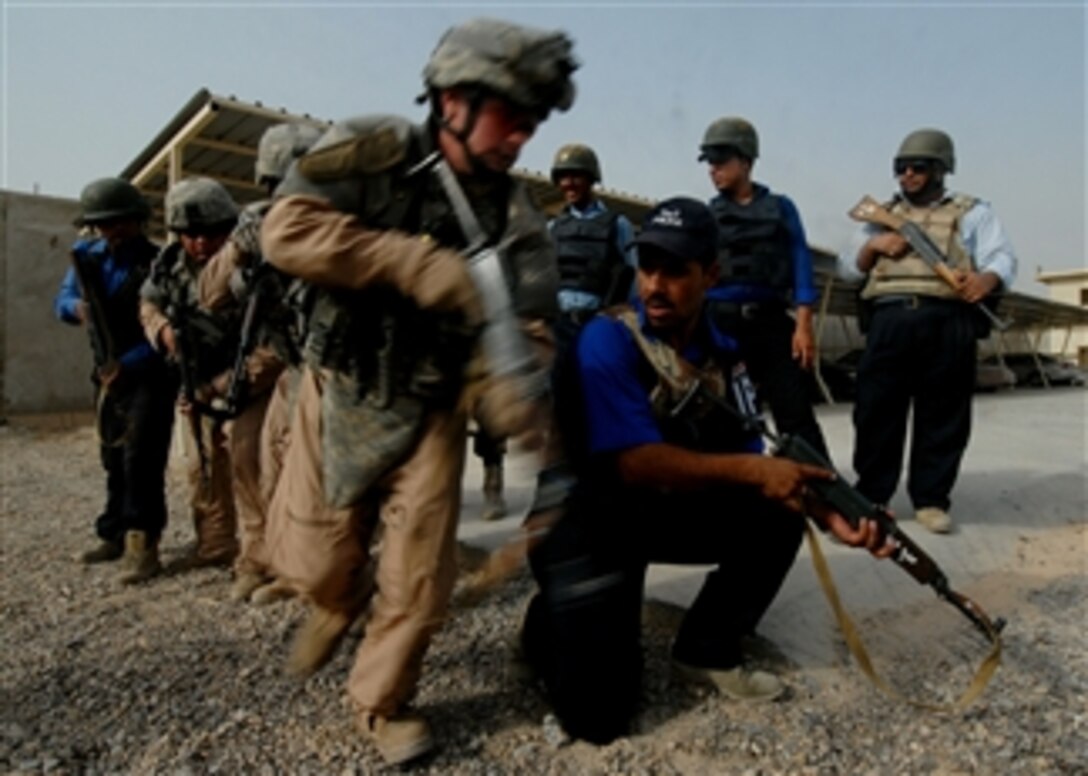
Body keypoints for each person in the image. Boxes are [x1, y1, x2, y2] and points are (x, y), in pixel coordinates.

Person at [258, 17, 577, 766]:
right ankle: (336, 601)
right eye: (508, 117)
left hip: (432, 410)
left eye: (530, 125)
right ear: (452, 100)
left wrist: (513, 395)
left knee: (421, 580)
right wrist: (407, 261)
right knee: (311, 562)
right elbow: (286, 231)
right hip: (340, 389)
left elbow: (531, 326)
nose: (518, 140)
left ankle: (381, 701)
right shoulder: (377, 151)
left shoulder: (518, 220)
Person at [520, 196, 894, 745]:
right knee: (599, 717)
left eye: (675, 271)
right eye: (647, 268)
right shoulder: (609, 338)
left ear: (710, 275)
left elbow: (746, 462)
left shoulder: (723, 350)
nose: (654, 286)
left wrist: (826, 511)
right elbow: (635, 462)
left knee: (775, 512)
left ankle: (706, 649)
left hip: (653, 506)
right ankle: (545, 626)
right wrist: (758, 472)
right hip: (584, 523)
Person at [839, 128, 1017, 534]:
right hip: (889, 320)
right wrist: (874, 247)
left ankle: (931, 499)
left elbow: (1002, 256)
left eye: (918, 167)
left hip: (947, 319)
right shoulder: (881, 215)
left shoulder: (973, 212)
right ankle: (871, 497)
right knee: (876, 412)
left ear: (942, 169)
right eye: (901, 167)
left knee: (944, 414)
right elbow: (848, 269)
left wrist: (986, 280)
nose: (908, 175)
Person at [195, 122, 323, 602]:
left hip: (334, 370)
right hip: (294, 367)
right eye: (276, 186)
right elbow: (209, 295)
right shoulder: (258, 228)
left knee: (309, 473)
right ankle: (266, 560)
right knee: (259, 461)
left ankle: (313, 575)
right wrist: (241, 248)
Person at [54, 178, 177, 584]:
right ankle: (115, 533)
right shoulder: (85, 259)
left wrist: (131, 361)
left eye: (121, 221)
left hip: (149, 374)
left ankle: (144, 544)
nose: (113, 230)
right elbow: (63, 303)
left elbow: (169, 326)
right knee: (112, 456)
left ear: (137, 219)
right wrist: (77, 308)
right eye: (105, 223)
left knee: (142, 457)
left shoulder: (159, 261)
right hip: (107, 372)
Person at [698, 117, 830, 460]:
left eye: (721, 161)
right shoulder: (705, 215)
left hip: (771, 324)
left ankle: (823, 492)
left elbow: (801, 264)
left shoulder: (781, 208)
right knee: (727, 413)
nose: (714, 170)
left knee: (795, 412)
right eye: (709, 163)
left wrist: (804, 326)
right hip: (720, 325)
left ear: (746, 161)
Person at [140, 177, 243, 570]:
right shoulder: (168, 266)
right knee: (202, 465)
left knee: (254, 465)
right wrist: (162, 330)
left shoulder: (245, 262)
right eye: (190, 234)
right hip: (196, 377)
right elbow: (148, 306)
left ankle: (269, 552)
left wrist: (228, 381)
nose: (200, 243)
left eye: (212, 233)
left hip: (251, 377)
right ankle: (216, 546)